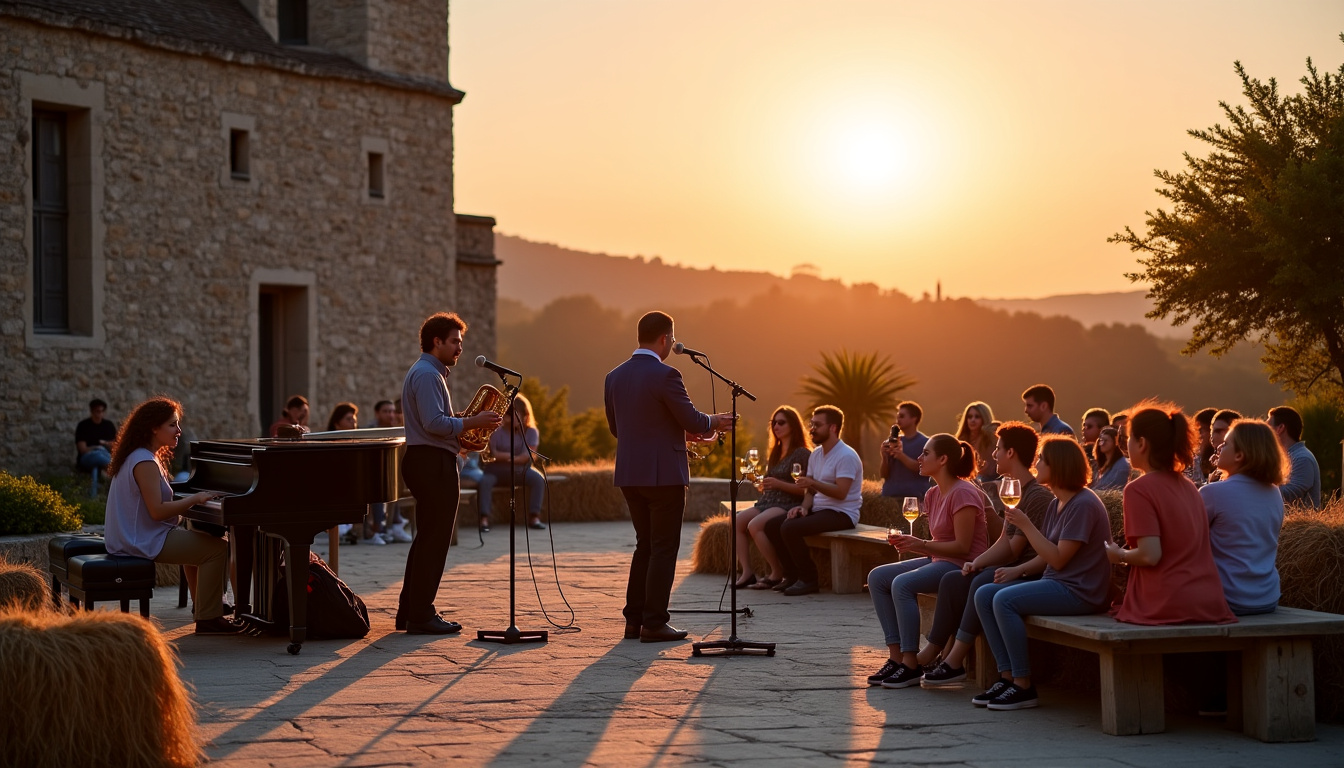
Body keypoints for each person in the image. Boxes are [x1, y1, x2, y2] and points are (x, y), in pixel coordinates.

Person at [604, 311, 734, 643]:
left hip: (630, 475)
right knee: (663, 548)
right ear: (665, 338)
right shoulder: (666, 375)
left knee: (644, 546)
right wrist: (715, 421)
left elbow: (621, 429)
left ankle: (633, 621)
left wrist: (680, 434)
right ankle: (655, 623)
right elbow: (691, 418)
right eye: (672, 339)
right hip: (663, 476)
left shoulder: (614, 376)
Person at [971, 437, 1115, 710]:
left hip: (1080, 591)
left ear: (1058, 465)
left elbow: (1059, 559)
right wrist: (1017, 570)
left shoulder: (1083, 504)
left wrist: (1026, 526)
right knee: (984, 593)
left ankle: (1023, 685)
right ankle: (1007, 676)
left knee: (1004, 601)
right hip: (1058, 583)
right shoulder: (1056, 503)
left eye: (1042, 460)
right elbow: (1046, 554)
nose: (1036, 463)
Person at [915, 422, 1053, 686]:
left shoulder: (1036, 496)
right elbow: (1004, 538)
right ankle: (937, 650)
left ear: (1011, 453)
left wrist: (979, 566)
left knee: (980, 583)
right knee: (954, 579)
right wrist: (976, 562)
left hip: (1029, 572)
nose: (993, 455)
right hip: (1010, 568)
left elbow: (1013, 549)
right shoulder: (1016, 490)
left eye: (998, 449)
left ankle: (955, 661)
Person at [396, 312, 503, 635]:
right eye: (455, 341)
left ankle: (410, 612)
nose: (459, 348)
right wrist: (474, 422)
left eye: (460, 342)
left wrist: (462, 420)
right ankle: (421, 615)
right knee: (436, 540)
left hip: (426, 460)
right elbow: (434, 425)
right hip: (432, 462)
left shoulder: (428, 373)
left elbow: (437, 420)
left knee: (426, 538)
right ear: (436, 342)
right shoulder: (428, 375)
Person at [103, 397, 238, 635]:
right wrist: (195, 499)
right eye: (172, 425)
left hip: (133, 536)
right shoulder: (144, 461)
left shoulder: (138, 455)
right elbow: (157, 511)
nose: (179, 431)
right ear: (154, 427)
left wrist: (190, 502)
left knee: (196, 536)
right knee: (218, 550)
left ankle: (204, 607)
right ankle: (208, 617)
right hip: (139, 541)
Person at [864, 433, 989, 689]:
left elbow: (964, 548)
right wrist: (914, 545)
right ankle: (896, 658)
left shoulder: (964, 492)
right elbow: (938, 545)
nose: (919, 458)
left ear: (943, 459)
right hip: (941, 560)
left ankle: (911, 664)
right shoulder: (932, 494)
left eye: (925, 453)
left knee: (902, 584)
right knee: (877, 577)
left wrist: (920, 545)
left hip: (962, 566)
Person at [1105, 402, 1235, 626]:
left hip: (1166, 602)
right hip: (1208, 600)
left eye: (1128, 438)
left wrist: (1119, 555)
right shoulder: (1188, 487)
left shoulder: (1138, 489)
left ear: (1142, 443)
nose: (1125, 445)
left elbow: (1150, 555)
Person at [763, 405, 864, 597]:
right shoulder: (817, 454)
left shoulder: (846, 456)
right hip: (819, 508)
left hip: (841, 513)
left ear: (833, 428)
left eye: (817, 425)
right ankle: (791, 576)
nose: (812, 429)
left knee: (789, 528)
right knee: (772, 525)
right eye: (812, 424)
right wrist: (803, 508)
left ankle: (809, 580)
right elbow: (809, 490)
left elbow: (841, 493)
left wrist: (813, 483)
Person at [1201, 419, 1286, 616]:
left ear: (1239, 455)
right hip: (1268, 598)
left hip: (1228, 598)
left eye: (1227, 443)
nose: (1220, 446)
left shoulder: (1213, 493)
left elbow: (1185, 542)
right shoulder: (1274, 493)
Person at [734, 405, 812, 590]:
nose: (776, 426)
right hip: (768, 501)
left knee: (755, 525)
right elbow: (771, 485)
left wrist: (778, 485)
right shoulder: (775, 453)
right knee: (737, 521)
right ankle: (747, 573)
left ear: (793, 425)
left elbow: (806, 489)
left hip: (788, 503)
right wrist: (763, 485)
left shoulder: (802, 453)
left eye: (781, 422)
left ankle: (777, 572)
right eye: (773, 423)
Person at [477, 393, 548, 531]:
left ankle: (534, 517)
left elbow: (527, 457)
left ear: (524, 415)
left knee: (538, 479)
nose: (511, 416)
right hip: (496, 470)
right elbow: (494, 454)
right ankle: (484, 519)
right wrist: (514, 457)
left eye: (516, 413)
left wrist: (507, 457)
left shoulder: (531, 432)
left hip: (520, 470)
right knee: (485, 482)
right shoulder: (496, 430)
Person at [1269, 406, 1323, 510]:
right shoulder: (1284, 458)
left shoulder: (1303, 459)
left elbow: (1290, 495)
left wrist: (1255, 486)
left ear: (1280, 428)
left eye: (1267, 428)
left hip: (1300, 526)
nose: (1264, 433)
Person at [879, 400, 930, 500]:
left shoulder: (926, 443)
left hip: (915, 497)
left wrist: (900, 455)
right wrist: (884, 458)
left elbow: (922, 468)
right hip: (890, 497)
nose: (898, 420)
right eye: (897, 417)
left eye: (902, 416)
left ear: (914, 419)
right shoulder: (893, 442)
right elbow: (883, 475)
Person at [955, 401, 998, 482]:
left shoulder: (991, 439)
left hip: (987, 480)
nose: (973, 420)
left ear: (984, 418)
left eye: (977, 417)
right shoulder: (961, 440)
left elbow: (990, 469)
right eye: (970, 417)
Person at [75, 398, 117, 473]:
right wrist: (97, 447)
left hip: (106, 454)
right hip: (88, 456)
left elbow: (115, 446)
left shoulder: (108, 425)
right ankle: (114, 468)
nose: (99, 414)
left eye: (102, 411)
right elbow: (83, 449)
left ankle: (112, 469)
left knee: (103, 454)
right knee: (98, 455)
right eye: (97, 411)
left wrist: (105, 444)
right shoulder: (83, 426)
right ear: (92, 411)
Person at [1193, 407, 1218, 482]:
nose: (1197, 435)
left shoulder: (1221, 461)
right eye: (1195, 430)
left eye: (1200, 431)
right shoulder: (1194, 459)